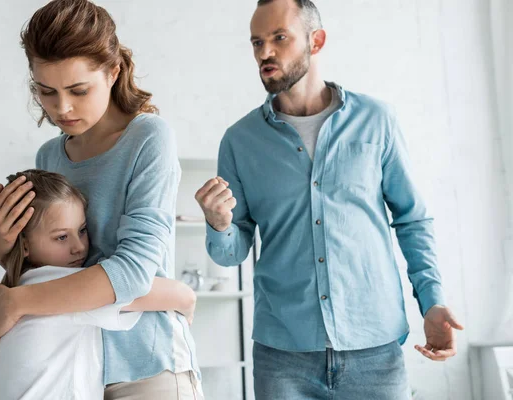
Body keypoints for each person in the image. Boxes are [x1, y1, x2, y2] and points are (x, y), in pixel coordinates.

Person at [195, 0, 464, 399]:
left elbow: (412, 220)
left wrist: (432, 301)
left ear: (315, 40)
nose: (264, 53)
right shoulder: (239, 141)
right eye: (256, 42)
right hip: (283, 357)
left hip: (374, 351)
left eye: (279, 38)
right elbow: (232, 252)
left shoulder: (377, 121)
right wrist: (219, 225)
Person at [0, 1, 202, 398]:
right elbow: (50, 265)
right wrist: (2, 248)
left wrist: (18, 302)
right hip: (76, 366)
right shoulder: (49, 156)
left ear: (113, 73)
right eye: (46, 91)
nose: (61, 107)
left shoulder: (148, 138)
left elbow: (132, 274)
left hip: (147, 366)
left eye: (78, 90)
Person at [0, 169, 196, 400]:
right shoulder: (61, 289)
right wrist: (188, 306)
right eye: (61, 237)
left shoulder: (21, 286)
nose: (78, 247)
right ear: (25, 245)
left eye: (81, 231)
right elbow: (175, 294)